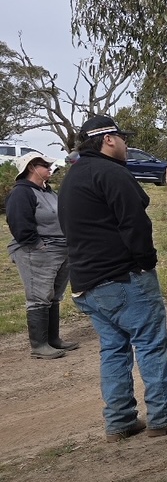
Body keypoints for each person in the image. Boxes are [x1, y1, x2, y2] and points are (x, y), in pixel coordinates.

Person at [58, 114, 167, 441]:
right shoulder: (112, 173)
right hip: (123, 277)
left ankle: (120, 420)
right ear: (109, 139)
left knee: (113, 349)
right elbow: (136, 224)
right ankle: (165, 415)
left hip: (85, 282)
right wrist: (145, 262)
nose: (126, 144)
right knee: (150, 343)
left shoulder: (72, 177)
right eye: (122, 138)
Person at [5, 151, 77, 359]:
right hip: (38, 252)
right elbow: (18, 222)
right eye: (45, 165)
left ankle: (53, 339)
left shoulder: (47, 191)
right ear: (31, 168)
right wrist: (37, 245)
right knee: (39, 297)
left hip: (60, 250)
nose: (49, 168)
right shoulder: (22, 193)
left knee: (54, 296)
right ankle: (39, 345)